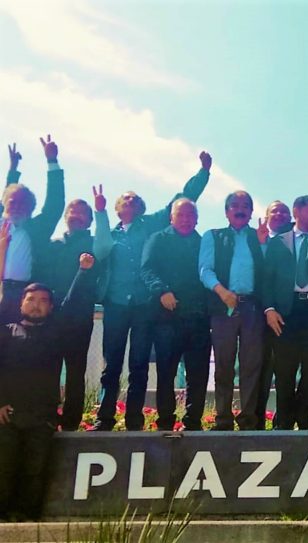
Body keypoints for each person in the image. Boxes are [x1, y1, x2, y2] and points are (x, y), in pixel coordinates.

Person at [91, 151, 212, 431]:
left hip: (146, 307)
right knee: (111, 366)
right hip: (117, 304)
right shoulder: (112, 232)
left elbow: (183, 197)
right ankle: (104, 418)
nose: (130, 201)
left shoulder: (152, 225)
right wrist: (99, 212)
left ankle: (134, 421)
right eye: (125, 199)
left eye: (135, 198)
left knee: (139, 365)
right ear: (118, 208)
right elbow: (100, 249)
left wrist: (203, 172)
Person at [0, 250, 94, 520]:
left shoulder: (56, 333)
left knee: (35, 471)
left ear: (50, 307)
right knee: (4, 469)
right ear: (21, 304)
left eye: (43, 301)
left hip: (42, 417)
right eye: (31, 300)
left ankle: (27, 522)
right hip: (7, 415)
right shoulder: (6, 332)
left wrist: (83, 272)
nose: (36, 305)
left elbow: (72, 303)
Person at [256, 155, 308, 429]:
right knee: (285, 372)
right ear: (296, 213)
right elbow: (266, 279)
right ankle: (283, 424)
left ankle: (303, 419)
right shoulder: (278, 243)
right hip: (284, 315)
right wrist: (269, 309)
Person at [36, 185, 105, 431]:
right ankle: (47, 417)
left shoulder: (95, 246)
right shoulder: (54, 245)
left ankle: (71, 422)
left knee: (76, 371)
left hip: (79, 318)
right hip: (52, 316)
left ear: (88, 220)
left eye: (81, 213)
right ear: (66, 217)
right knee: (49, 368)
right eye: (71, 212)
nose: (75, 216)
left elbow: (94, 277)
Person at [199, 191, 267, 431]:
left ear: (251, 211)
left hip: (252, 308)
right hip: (223, 306)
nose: (240, 209)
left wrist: (263, 243)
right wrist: (221, 291)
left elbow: (267, 271)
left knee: (251, 365)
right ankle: (223, 420)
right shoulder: (213, 236)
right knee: (224, 365)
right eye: (235, 205)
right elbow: (205, 270)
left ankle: (248, 420)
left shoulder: (258, 236)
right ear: (226, 211)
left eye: (245, 206)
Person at [140, 199, 210, 431]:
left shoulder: (204, 243)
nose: (186, 219)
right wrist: (162, 291)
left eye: (191, 215)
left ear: (197, 219)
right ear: (171, 217)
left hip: (198, 320)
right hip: (167, 319)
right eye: (181, 215)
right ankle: (166, 422)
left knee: (197, 376)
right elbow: (147, 269)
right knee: (166, 373)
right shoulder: (158, 239)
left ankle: (192, 422)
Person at [1, 137, 65, 324]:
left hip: (23, 295)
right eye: (13, 202)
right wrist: (13, 170)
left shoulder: (36, 229)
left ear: (31, 210)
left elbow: (55, 204)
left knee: (17, 348)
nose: (17, 206)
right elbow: (8, 194)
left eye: (24, 204)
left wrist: (52, 161)